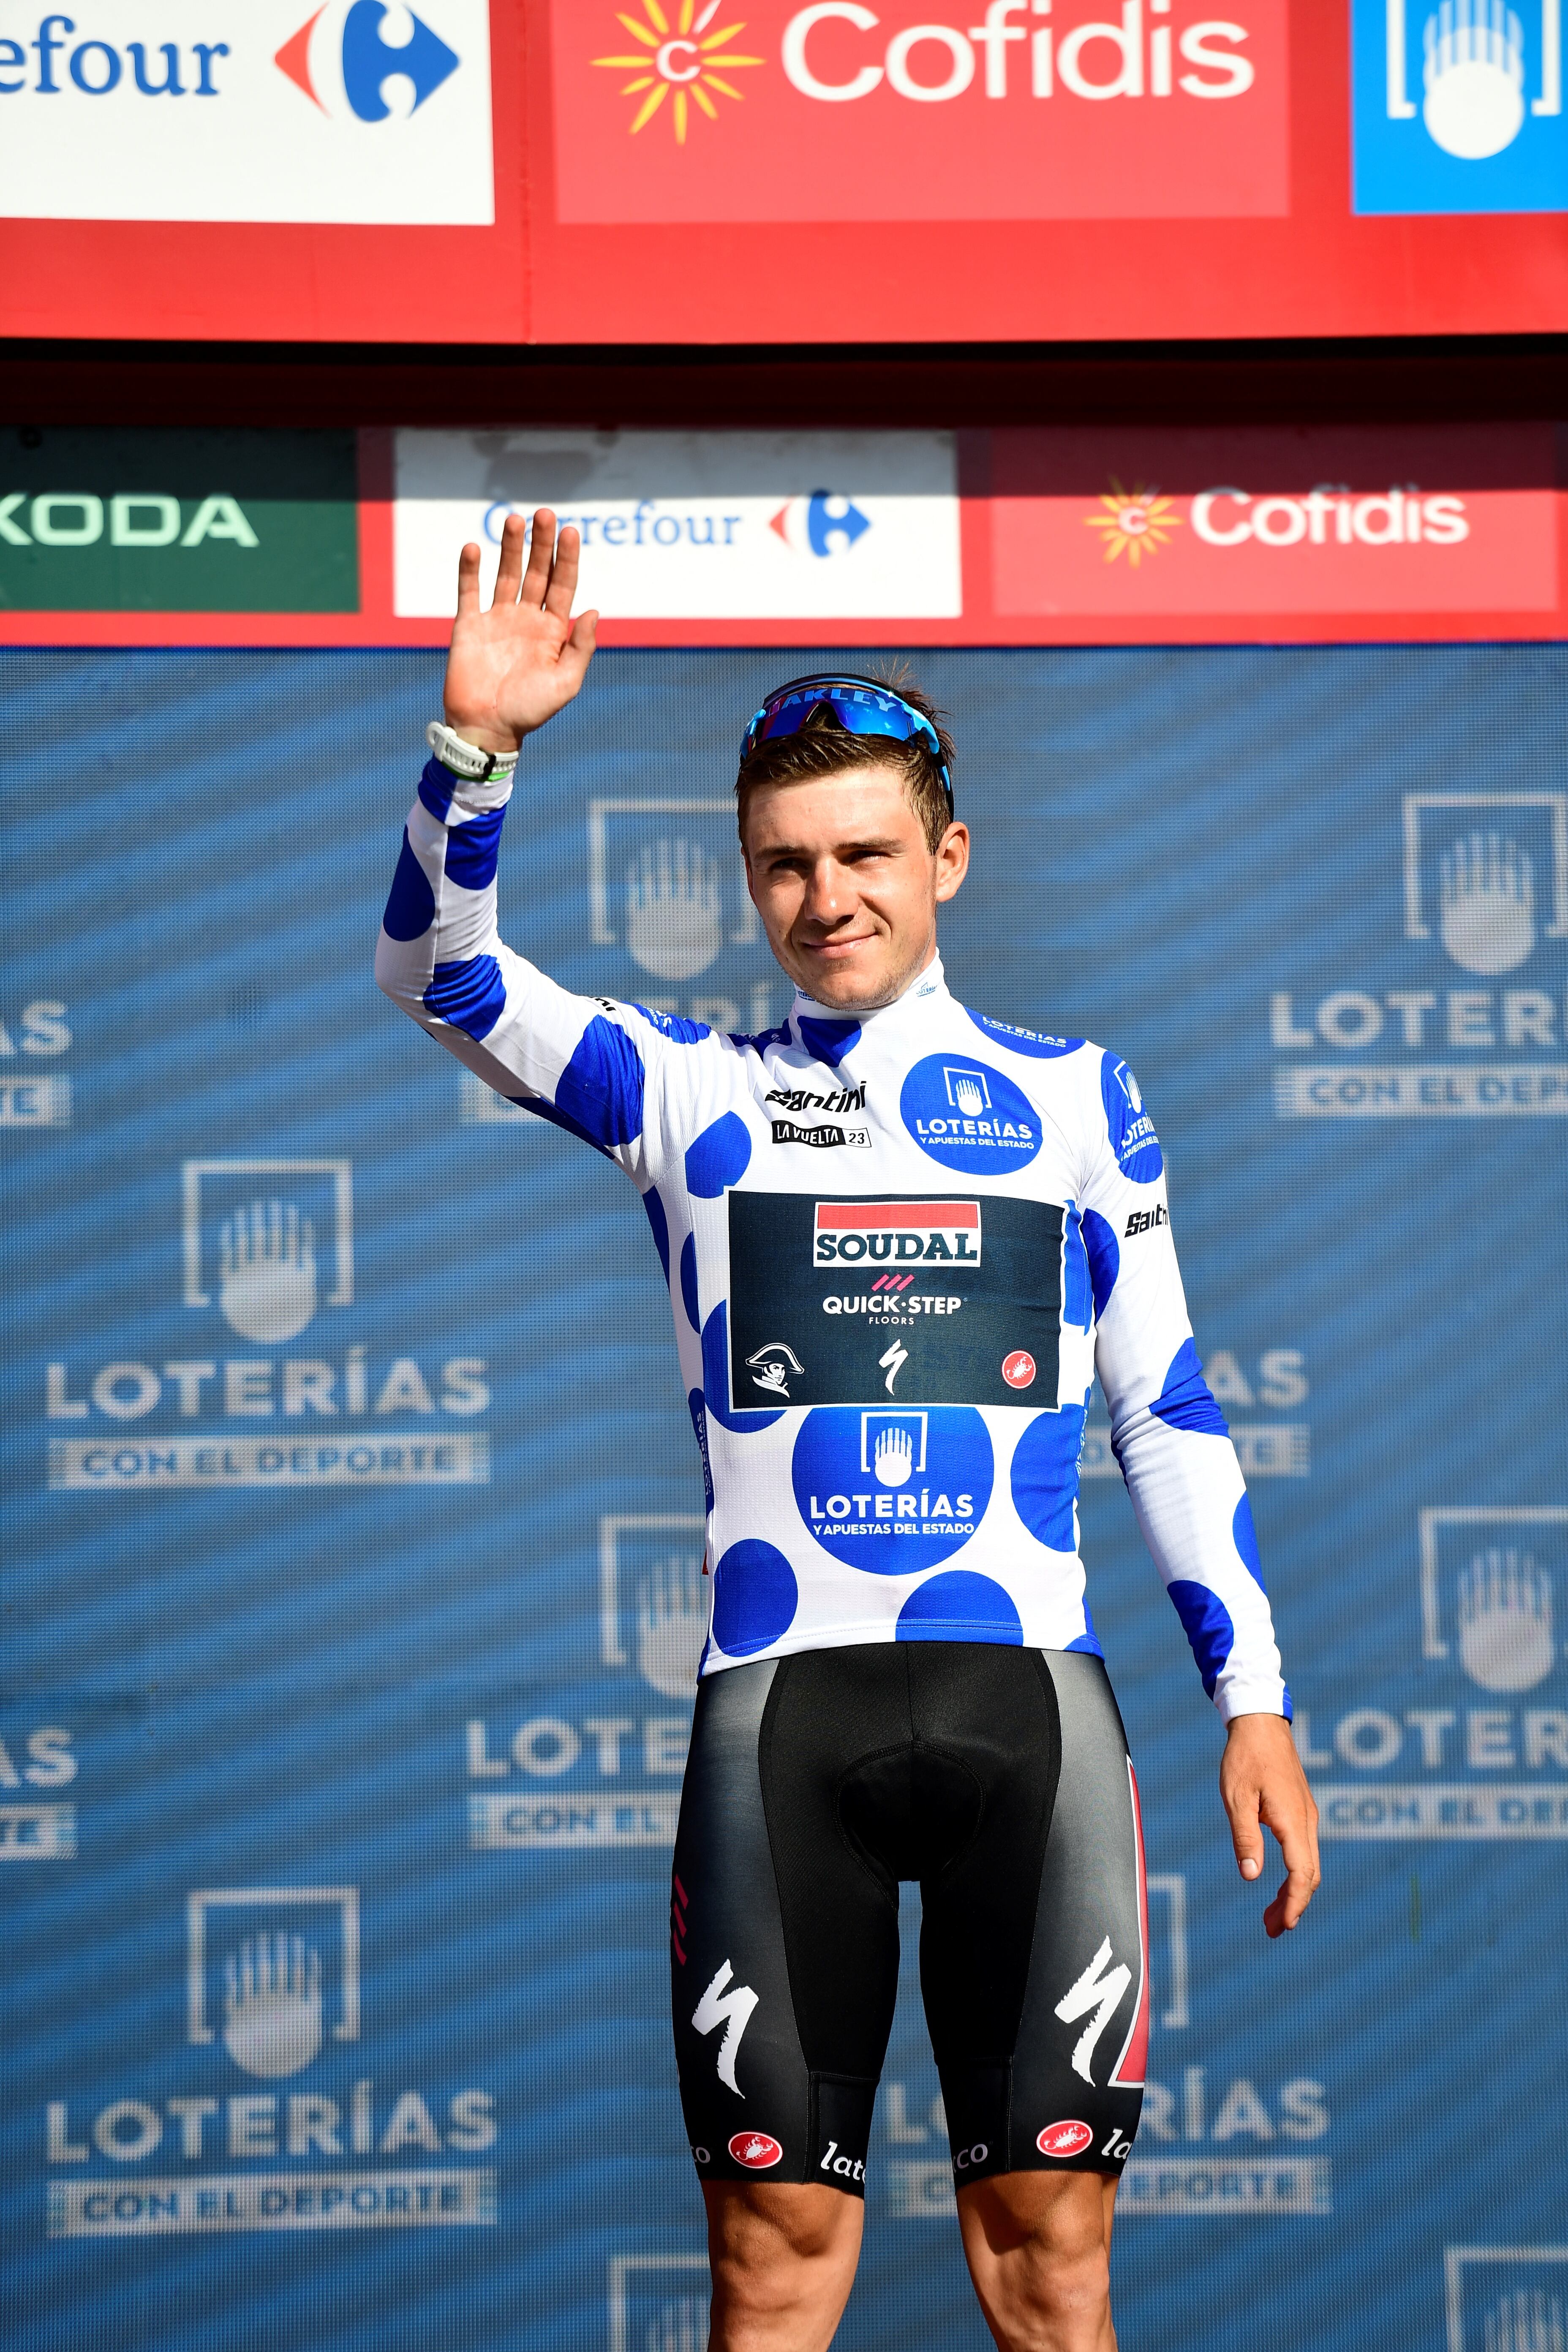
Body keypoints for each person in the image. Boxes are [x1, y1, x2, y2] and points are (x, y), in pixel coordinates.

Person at [377, 511, 1320, 2352]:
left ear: (948, 855)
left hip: (1025, 1722)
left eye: (867, 853)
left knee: (1052, 2272)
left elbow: (1165, 1402)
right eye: (786, 866)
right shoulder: (683, 1092)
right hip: (777, 1729)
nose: (830, 899)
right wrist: (473, 754)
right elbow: (445, 979)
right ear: (749, 881)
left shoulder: (1075, 1099)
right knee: (768, 2278)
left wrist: (1257, 1700)